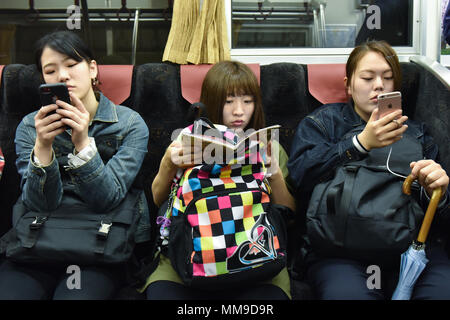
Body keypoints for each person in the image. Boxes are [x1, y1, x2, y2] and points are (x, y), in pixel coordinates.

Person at [288, 40, 450, 300]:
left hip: (410, 248)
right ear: (348, 86)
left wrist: (436, 191)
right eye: (367, 77)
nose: (378, 85)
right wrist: (359, 144)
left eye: (388, 78)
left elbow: (442, 214)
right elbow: (300, 178)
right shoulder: (323, 124)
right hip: (340, 250)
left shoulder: (418, 134)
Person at [0, 31, 150, 300]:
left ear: (92, 69)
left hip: (98, 245)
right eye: (51, 70)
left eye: (71, 65)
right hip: (38, 241)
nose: (63, 76)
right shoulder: (30, 127)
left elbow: (107, 199)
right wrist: (43, 147)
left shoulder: (130, 125)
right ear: (44, 79)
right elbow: (39, 203)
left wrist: (83, 144)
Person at [144, 60, 295, 300]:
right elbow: (157, 201)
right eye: (228, 101)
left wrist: (273, 172)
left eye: (248, 101)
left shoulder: (269, 147)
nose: (239, 111)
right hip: (187, 254)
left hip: (256, 257)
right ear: (213, 102)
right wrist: (168, 164)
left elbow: (288, 213)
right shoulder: (189, 142)